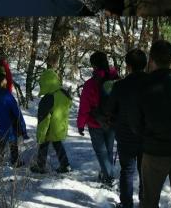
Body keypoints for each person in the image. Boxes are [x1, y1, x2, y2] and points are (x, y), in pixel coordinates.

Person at [130, 40, 171, 208]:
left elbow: (134, 121)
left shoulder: (142, 85)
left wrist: (145, 136)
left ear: (151, 59)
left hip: (154, 153)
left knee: (149, 201)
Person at [105, 49, 148, 208]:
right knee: (145, 173)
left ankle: (126, 204)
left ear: (128, 66)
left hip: (125, 135)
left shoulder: (120, 85)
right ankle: (145, 203)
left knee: (127, 171)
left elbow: (110, 108)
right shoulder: (153, 83)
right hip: (147, 136)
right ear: (145, 64)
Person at [77, 51, 119, 188]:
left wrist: (81, 124)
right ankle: (107, 174)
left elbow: (84, 106)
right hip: (112, 121)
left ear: (94, 65)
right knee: (108, 149)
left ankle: (109, 177)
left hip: (96, 122)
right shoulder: (116, 79)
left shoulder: (90, 84)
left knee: (101, 152)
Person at [31, 69, 72, 174]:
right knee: (58, 144)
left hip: (50, 128)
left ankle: (40, 166)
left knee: (43, 144)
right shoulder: (63, 93)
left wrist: (40, 135)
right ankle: (65, 165)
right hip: (61, 126)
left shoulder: (48, 98)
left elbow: (43, 119)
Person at [0, 72, 27, 167]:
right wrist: (22, 126)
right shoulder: (6, 94)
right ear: (1, 82)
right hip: (9, 123)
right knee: (13, 142)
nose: (6, 81)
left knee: (0, 141)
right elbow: (16, 110)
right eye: (4, 79)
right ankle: (15, 161)